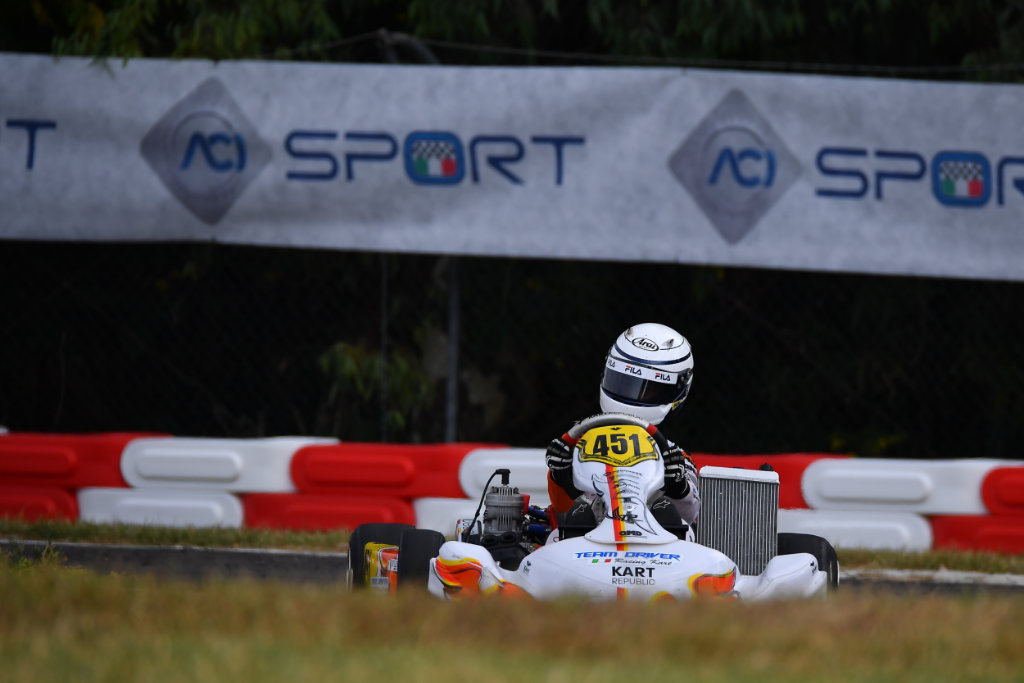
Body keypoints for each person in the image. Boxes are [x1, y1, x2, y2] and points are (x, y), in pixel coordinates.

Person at [544, 322, 700, 534]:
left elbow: (689, 518)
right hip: (588, 543)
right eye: (624, 382)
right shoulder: (577, 446)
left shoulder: (673, 456)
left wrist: (677, 485)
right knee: (563, 529)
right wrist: (559, 475)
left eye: (649, 389)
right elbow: (562, 511)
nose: (631, 394)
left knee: (669, 516)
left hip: (655, 544)